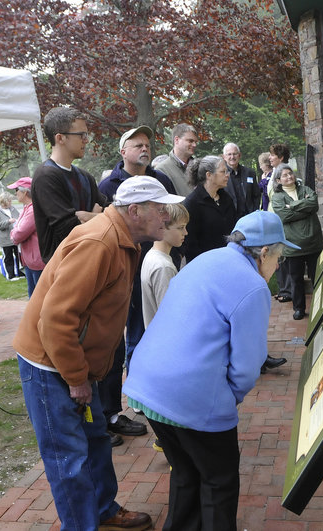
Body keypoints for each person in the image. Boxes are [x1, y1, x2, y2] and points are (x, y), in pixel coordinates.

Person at [12, 176, 184, 531]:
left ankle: (104, 510)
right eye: (160, 208)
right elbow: (56, 320)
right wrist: (77, 378)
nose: (167, 216)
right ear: (134, 211)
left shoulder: (125, 239)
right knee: (69, 458)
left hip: (75, 364)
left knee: (95, 442)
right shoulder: (99, 242)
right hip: (51, 365)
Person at [124, 210, 299, 531]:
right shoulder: (253, 286)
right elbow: (248, 365)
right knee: (219, 481)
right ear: (263, 253)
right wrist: (224, 400)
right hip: (190, 395)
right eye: (280, 257)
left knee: (186, 472)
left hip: (145, 385)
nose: (279, 267)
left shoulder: (206, 259)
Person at [98, 126, 178, 444]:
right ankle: (118, 408)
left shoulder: (161, 179)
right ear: (123, 152)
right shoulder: (108, 186)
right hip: (124, 273)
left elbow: (174, 218)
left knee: (150, 331)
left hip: (155, 267)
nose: (144, 149)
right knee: (123, 339)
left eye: (147, 144)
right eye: (137, 145)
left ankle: (145, 397)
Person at [31, 106, 109, 264]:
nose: (86, 140)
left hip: (90, 262)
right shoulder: (46, 177)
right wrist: (98, 216)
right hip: (63, 268)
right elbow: (68, 230)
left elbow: (111, 211)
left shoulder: (85, 177)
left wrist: (89, 217)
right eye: (81, 135)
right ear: (60, 138)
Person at [271, 164, 323, 320]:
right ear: (279, 180)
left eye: (290, 174)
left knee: (318, 278)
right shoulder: (277, 197)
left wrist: (293, 206)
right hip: (293, 245)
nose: (289, 177)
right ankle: (299, 308)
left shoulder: (305, 190)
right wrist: (304, 208)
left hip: (314, 243)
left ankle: (321, 306)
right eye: (285, 175)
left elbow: (314, 205)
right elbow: (284, 216)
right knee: (296, 279)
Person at [181, 155, 238, 263]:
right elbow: (190, 242)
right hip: (204, 264)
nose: (227, 175)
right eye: (223, 171)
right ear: (209, 175)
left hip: (228, 260)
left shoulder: (226, 199)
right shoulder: (193, 203)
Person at [140, 203, 188, 328]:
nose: (186, 232)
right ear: (162, 228)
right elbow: (169, 317)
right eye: (180, 227)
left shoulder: (152, 255)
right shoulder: (163, 267)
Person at [8, 177, 44, 297]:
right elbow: (17, 230)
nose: (15, 193)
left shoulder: (33, 210)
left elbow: (19, 233)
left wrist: (14, 233)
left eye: (17, 189)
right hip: (30, 261)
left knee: (38, 297)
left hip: (37, 261)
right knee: (33, 295)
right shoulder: (27, 208)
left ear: (25, 192)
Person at [268, 143, 293, 304]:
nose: (269, 157)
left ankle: (288, 289)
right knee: (277, 256)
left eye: (272, 155)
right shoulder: (273, 173)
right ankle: (283, 288)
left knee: (284, 256)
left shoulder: (285, 173)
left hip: (281, 220)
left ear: (281, 157)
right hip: (273, 220)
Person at [152, 123, 198, 196]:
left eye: (195, 142)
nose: (194, 145)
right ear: (177, 140)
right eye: (190, 141)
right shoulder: (162, 170)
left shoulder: (199, 167)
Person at [222, 143, 261, 217]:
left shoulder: (249, 173)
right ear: (224, 157)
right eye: (229, 154)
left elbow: (256, 195)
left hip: (249, 217)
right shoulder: (221, 175)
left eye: (234, 154)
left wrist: (255, 210)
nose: (232, 157)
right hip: (229, 218)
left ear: (239, 155)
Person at [0, 192, 23, 281]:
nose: (10, 202)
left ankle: (21, 273)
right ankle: (11, 275)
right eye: (9, 201)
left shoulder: (12, 209)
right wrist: (8, 221)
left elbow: (19, 218)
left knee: (18, 256)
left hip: (15, 238)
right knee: (8, 258)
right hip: (5, 239)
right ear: (4, 202)